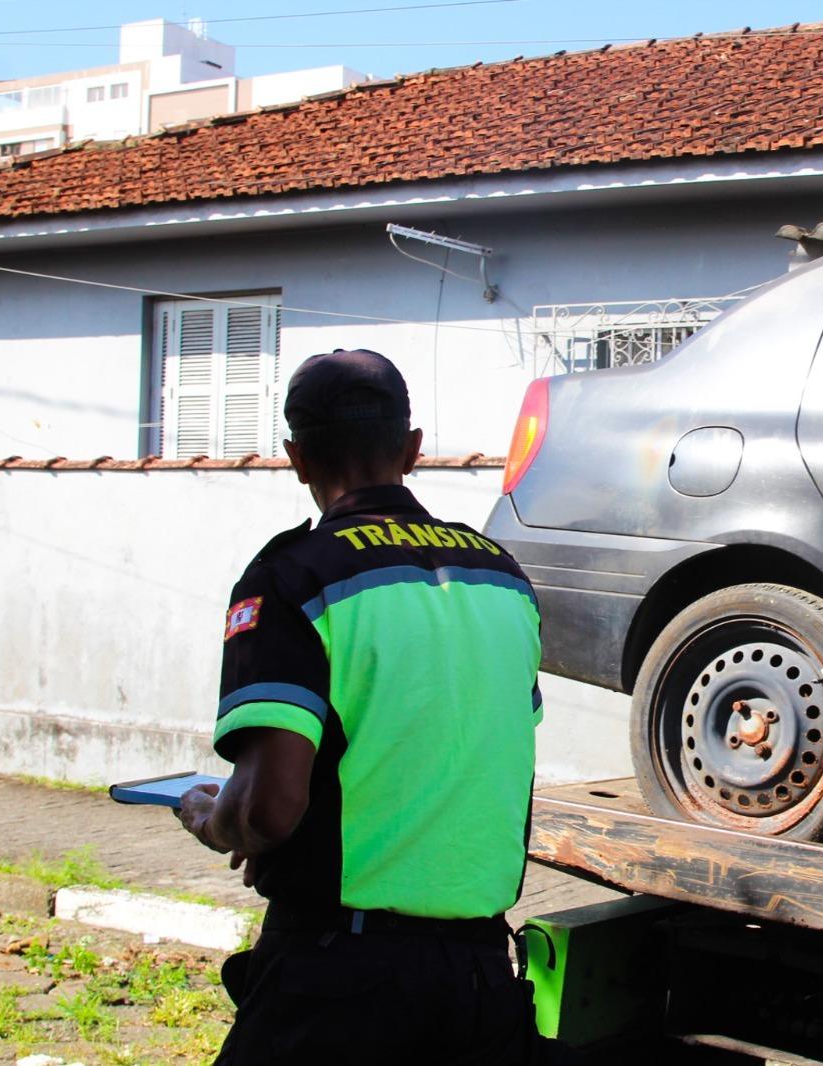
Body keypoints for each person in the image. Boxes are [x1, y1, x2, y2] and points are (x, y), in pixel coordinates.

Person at [175, 348, 552, 1063]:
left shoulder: (293, 577)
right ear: (412, 450)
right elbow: (452, 748)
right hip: (481, 978)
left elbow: (263, 811)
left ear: (296, 458)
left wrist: (213, 818)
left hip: (338, 979)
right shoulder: (501, 577)